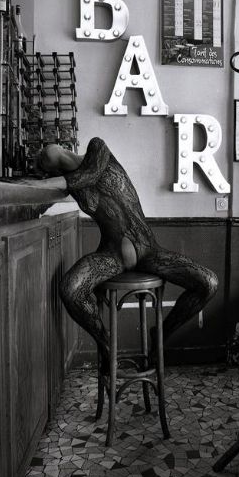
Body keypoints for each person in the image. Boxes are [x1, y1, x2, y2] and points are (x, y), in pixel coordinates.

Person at [38, 137, 218, 372]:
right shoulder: (71, 187)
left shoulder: (97, 148)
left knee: (208, 282)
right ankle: (105, 344)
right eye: (45, 159)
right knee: (70, 289)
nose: (47, 153)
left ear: (63, 147)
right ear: (53, 169)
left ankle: (161, 333)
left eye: (48, 150)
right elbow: (42, 201)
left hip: (148, 250)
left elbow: (88, 175)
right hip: (111, 256)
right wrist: (28, 190)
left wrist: (45, 183)